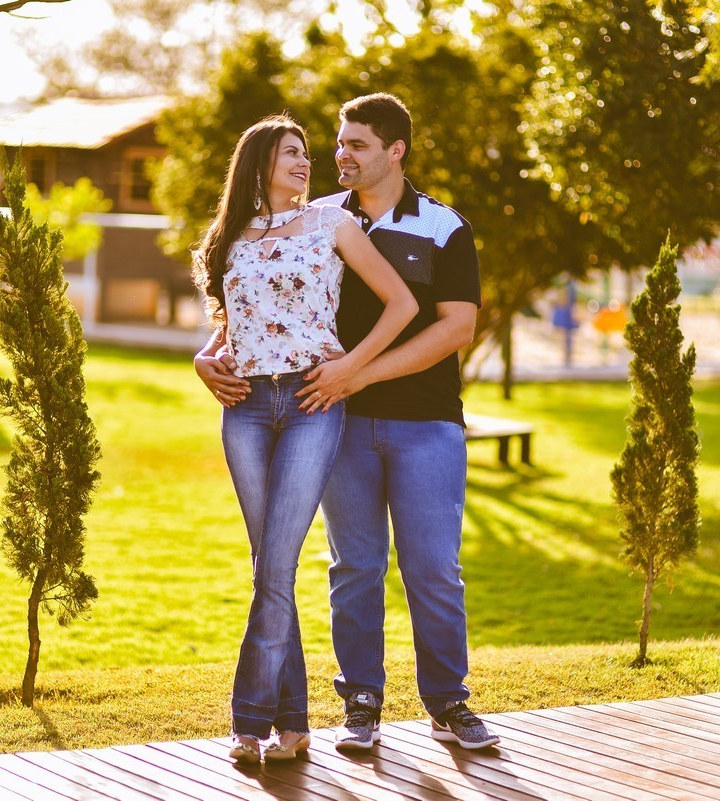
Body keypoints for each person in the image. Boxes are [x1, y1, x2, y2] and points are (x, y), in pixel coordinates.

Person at [197, 94, 500, 752]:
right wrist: (209, 353)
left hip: (424, 421)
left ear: (396, 151)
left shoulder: (443, 226)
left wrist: (357, 372)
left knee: (433, 568)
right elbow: (265, 304)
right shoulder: (317, 217)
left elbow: (457, 327)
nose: (339, 155)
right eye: (336, 143)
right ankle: (361, 700)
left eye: (355, 145)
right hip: (334, 417)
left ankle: (448, 700)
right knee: (355, 567)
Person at [191, 114, 417, 765]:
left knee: (276, 564)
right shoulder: (229, 236)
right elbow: (233, 323)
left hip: (311, 402)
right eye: (291, 152)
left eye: (306, 154)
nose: (304, 162)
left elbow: (402, 304)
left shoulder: (331, 224)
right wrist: (203, 359)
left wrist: (352, 368)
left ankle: (247, 721)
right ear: (259, 161)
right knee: (268, 563)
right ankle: (291, 724)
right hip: (245, 408)